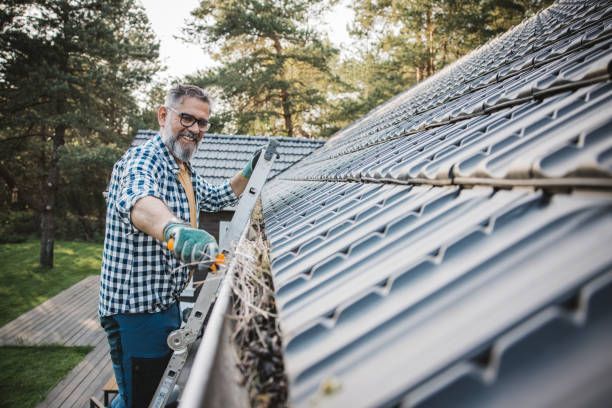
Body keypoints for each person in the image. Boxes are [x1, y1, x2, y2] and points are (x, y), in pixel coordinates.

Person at [98, 84, 260, 408]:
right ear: (163, 115)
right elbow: (140, 202)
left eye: (202, 123)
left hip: (164, 303)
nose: (195, 129)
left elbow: (215, 196)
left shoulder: (182, 168)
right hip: (136, 311)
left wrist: (249, 172)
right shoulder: (142, 161)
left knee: (151, 393)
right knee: (142, 401)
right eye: (187, 118)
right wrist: (175, 230)